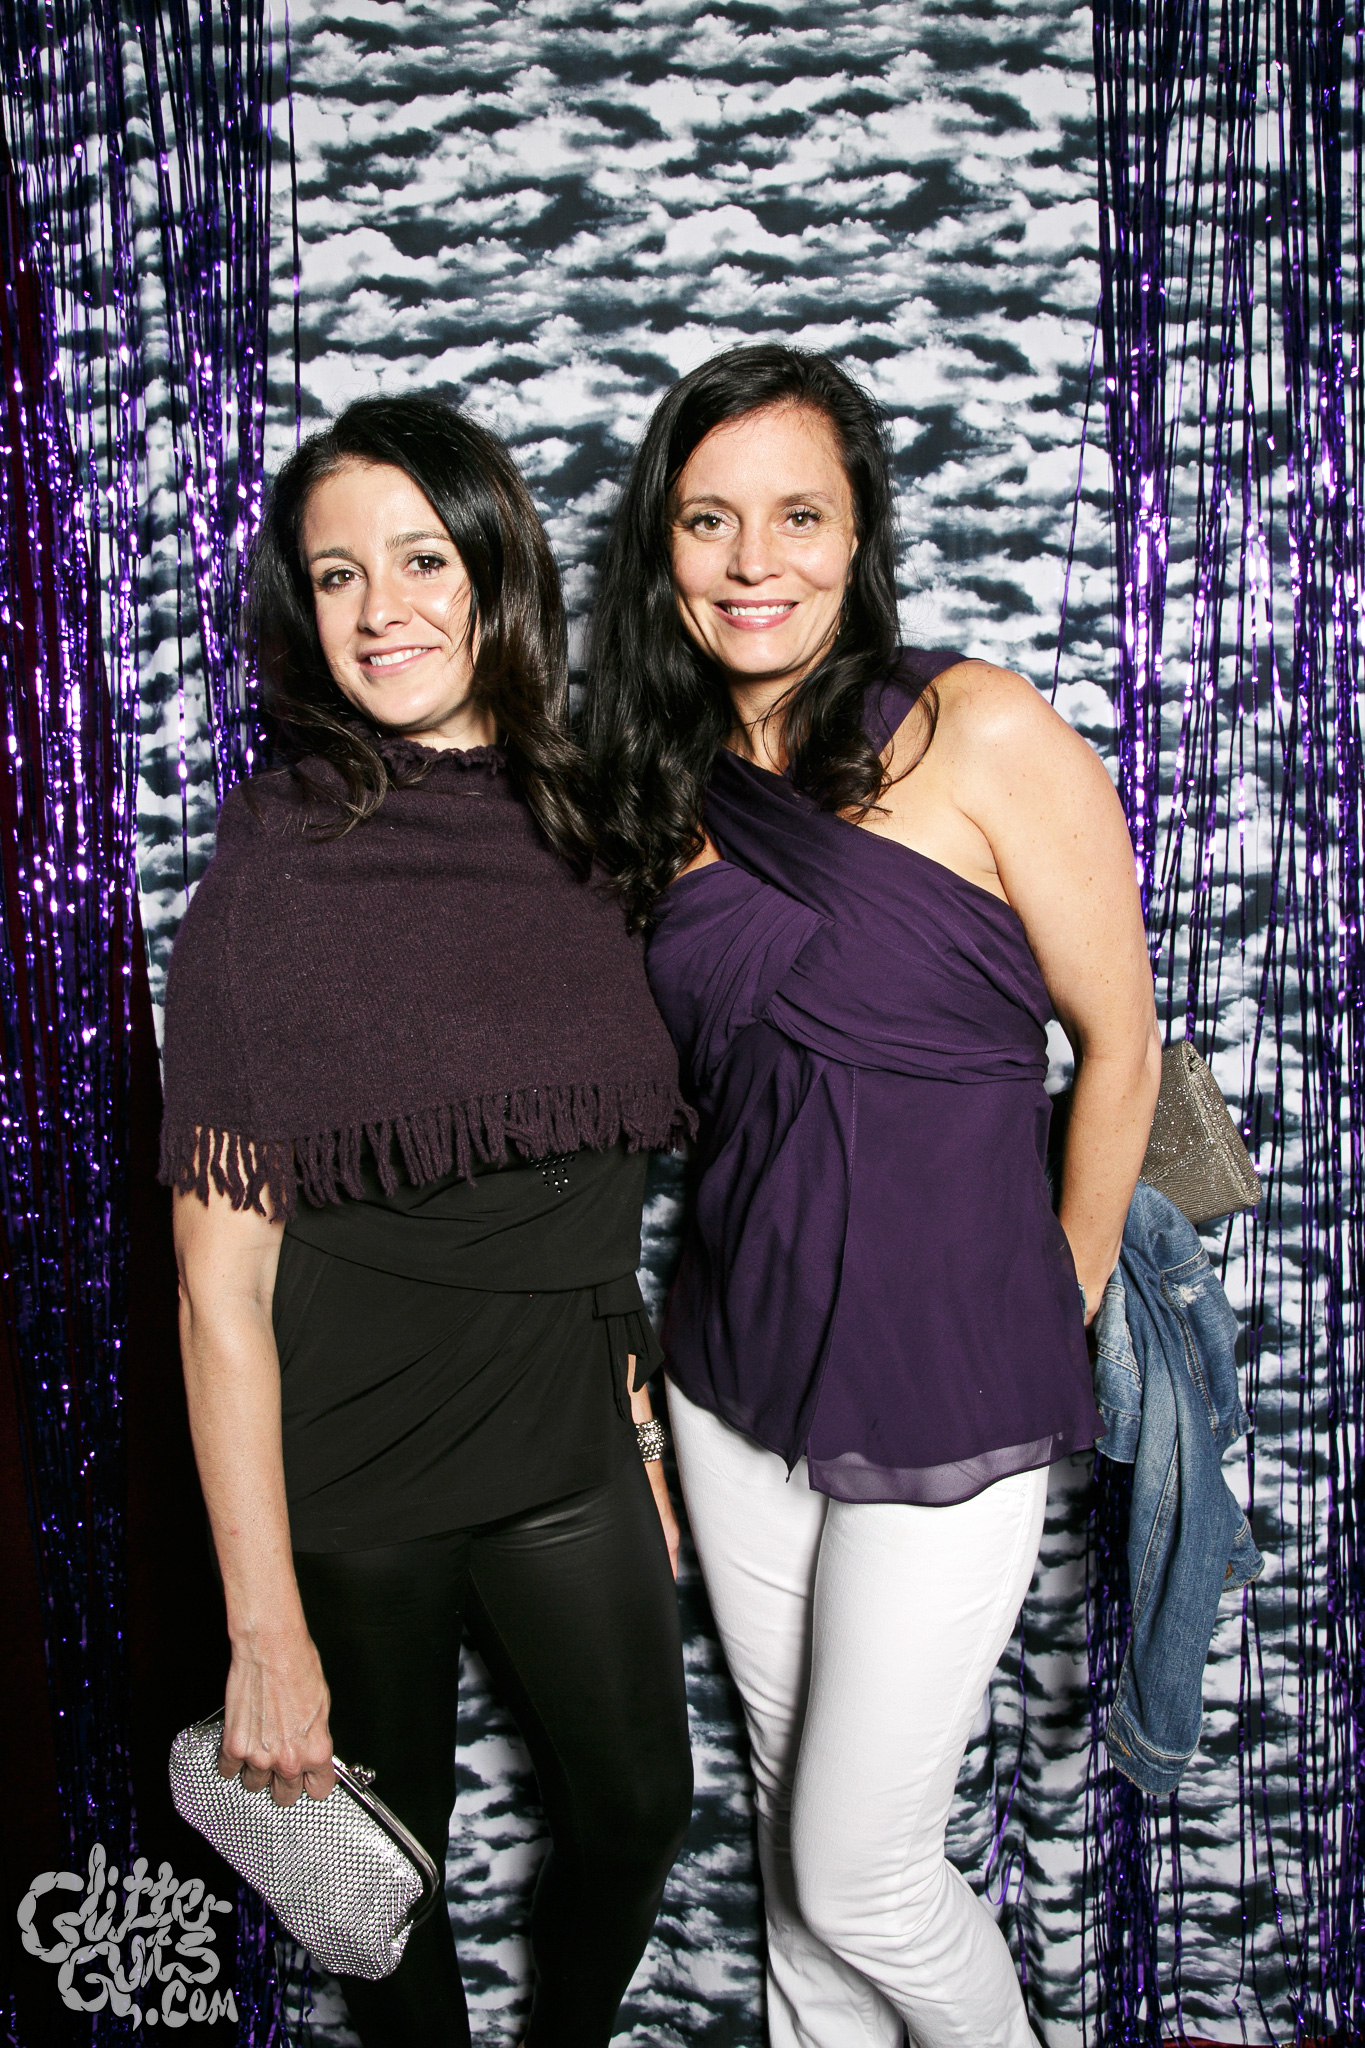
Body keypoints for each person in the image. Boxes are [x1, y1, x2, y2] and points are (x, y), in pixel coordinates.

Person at [583, 345, 1162, 2048]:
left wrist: (1049, 1298)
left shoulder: (979, 728)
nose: (752, 562)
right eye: (708, 520)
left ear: (858, 535)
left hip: (945, 1376)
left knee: (861, 1875)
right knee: (792, 1831)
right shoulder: (659, 782)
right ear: (662, 545)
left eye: (797, 516)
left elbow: (1121, 1047)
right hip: (729, 1371)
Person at [160, 395, 694, 2048]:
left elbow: (596, 1185)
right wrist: (263, 1629)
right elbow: (217, 1292)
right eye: (337, 576)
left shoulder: (591, 823)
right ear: (302, 611)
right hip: (355, 1464)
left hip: (562, 1429)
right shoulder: (271, 871)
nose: (381, 609)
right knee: (381, 1881)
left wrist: (637, 1430)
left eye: (420, 560)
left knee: (638, 1811)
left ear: (493, 570)